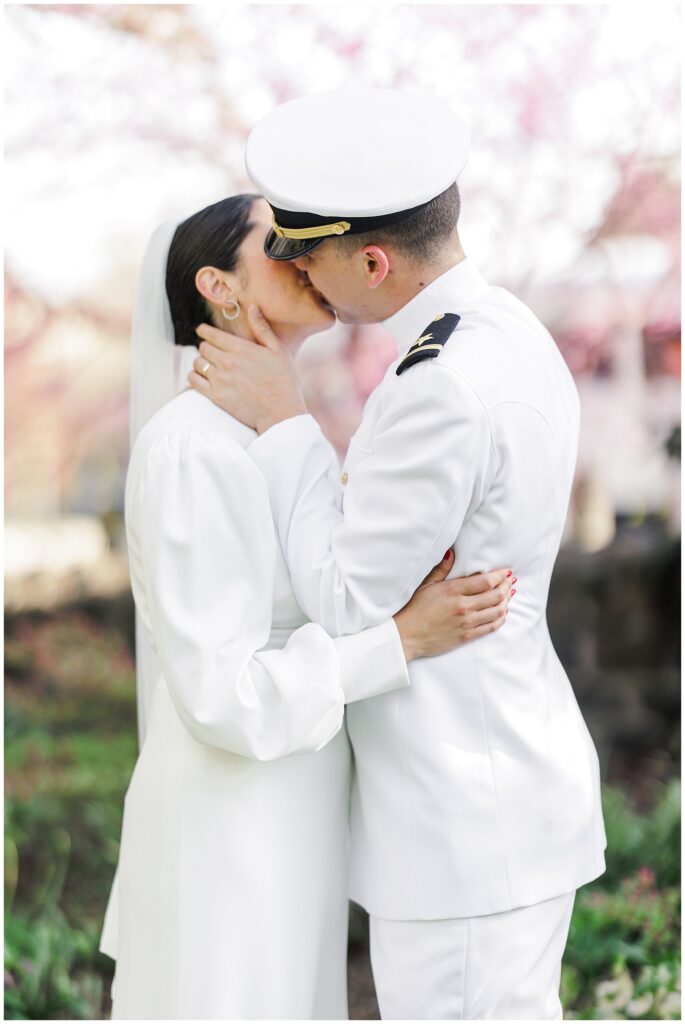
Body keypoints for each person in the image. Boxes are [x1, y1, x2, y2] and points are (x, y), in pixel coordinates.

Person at [188, 89, 608, 1020]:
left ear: (372, 260)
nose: (308, 282)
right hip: (498, 792)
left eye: (313, 260)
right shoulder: (504, 332)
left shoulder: (437, 386)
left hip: (460, 813)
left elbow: (344, 598)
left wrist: (289, 425)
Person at [99, 194, 514, 1020]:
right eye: (276, 240)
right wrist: (398, 640)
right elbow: (223, 694)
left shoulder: (271, 430)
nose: (303, 253)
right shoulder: (192, 449)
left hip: (294, 816)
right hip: (231, 829)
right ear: (217, 285)